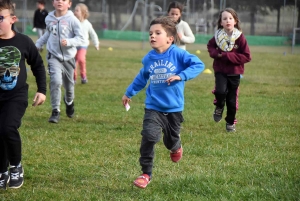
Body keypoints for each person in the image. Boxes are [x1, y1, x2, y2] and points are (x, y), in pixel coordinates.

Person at [122, 16, 205, 189]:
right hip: (153, 106)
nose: (152, 36)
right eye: (150, 33)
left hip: (174, 108)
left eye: (157, 33)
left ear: (170, 38)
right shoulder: (148, 59)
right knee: (149, 136)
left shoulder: (178, 54)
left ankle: (176, 146)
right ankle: (146, 174)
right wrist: (129, 92)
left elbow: (198, 64)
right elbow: (142, 77)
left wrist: (181, 76)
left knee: (170, 141)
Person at [0, 0, 47, 190]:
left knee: (7, 128)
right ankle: (1, 171)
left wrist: (42, 90)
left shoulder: (23, 41)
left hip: (16, 96)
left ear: (12, 19)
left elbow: (37, 65)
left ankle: (16, 166)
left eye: (0, 18)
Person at [35, 0, 84, 123]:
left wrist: (69, 42)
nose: (60, 2)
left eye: (63, 0)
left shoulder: (72, 20)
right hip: (53, 56)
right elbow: (48, 34)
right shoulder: (49, 18)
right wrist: (38, 44)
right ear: (53, 3)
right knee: (55, 81)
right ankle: (55, 111)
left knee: (69, 87)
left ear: (69, 4)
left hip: (69, 58)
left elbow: (81, 38)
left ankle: (69, 102)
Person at [207, 8, 251, 132]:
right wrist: (216, 54)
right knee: (220, 92)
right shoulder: (217, 36)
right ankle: (219, 106)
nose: (228, 21)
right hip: (220, 70)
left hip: (235, 72)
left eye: (230, 18)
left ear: (235, 21)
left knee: (232, 100)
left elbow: (247, 56)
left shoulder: (240, 38)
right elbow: (210, 46)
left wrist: (227, 56)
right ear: (221, 22)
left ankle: (230, 122)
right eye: (224, 18)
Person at [73, 3, 99, 84]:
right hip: (73, 45)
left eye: (77, 10)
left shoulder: (87, 24)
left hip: (83, 46)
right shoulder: (73, 22)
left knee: (81, 59)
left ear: (83, 13)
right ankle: (73, 79)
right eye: (75, 10)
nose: (75, 12)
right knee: (73, 63)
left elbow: (93, 34)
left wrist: (96, 43)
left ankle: (83, 76)